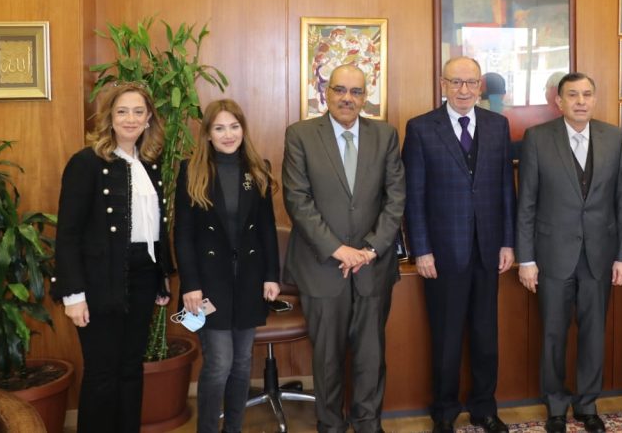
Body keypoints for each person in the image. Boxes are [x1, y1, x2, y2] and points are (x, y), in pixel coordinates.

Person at [282, 64, 406, 433]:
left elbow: (395, 199)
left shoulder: (385, 135)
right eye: (339, 90)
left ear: (365, 97)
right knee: (327, 358)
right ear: (326, 93)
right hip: (323, 267)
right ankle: (331, 425)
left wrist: (371, 249)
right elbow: (297, 200)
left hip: (372, 266)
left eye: (355, 91)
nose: (347, 98)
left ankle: (368, 423)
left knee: (371, 355)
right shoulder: (301, 135)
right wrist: (339, 249)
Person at [403, 57, 516, 433]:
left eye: (470, 83)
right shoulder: (421, 128)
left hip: (488, 250)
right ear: (443, 85)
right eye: (456, 82)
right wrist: (421, 249)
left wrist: (507, 242)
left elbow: (506, 189)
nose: (464, 90)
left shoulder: (498, 126)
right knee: (447, 338)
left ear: (481, 85)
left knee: (486, 336)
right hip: (442, 254)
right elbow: (414, 196)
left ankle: (484, 408)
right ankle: (444, 412)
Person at [53, 81, 174, 432]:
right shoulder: (86, 163)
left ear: (149, 118)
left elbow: (156, 227)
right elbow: (68, 233)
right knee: (102, 373)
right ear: (109, 117)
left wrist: (161, 277)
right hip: (100, 281)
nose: (130, 119)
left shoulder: (149, 163)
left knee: (131, 368)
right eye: (122, 111)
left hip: (143, 276)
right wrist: (73, 295)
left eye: (138, 112)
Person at [516, 72, 622, 433]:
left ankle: (587, 405)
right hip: (552, 255)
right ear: (559, 101)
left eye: (587, 94)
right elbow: (526, 202)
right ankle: (555, 406)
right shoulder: (537, 138)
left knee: (594, 334)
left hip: (600, 255)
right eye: (572, 95)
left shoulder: (614, 137)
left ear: (594, 99)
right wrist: (526, 259)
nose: (581, 101)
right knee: (553, 334)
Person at [174, 99, 281, 433]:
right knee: (220, 362)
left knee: (242, 362)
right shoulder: (190, 171)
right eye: (219, 128)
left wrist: (271, 276)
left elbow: (266, 228)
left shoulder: (257, 168)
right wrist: (190, 284)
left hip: (249, 280)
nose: (228, 134)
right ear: (207, 133)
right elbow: (183, 235)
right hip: (208, 284)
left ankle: (233, 428)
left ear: (243, 130)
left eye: (234, 126)